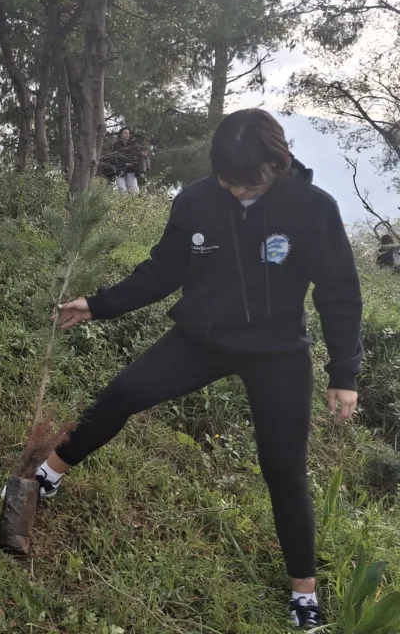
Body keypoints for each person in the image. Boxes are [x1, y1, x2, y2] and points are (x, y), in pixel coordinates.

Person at [32, 109, 362, 630]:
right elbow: (165, 268)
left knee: (284, 469)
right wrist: (98, 304)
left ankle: (304, 593)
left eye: (246, 184)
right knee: (122, 393)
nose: (235, 192)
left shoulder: (313, 208)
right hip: (201, 339)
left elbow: (340, 293)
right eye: (227, 182)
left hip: (278, 354)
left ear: (277, 164)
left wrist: (344, 374)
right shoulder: (197, 199)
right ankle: (45, 475)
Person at [106, 127, 143, 193]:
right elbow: (113, 159)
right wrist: (124, 164)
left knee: (134, 191)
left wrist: (136, 163)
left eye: (128, 133)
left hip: (131, 170)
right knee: (122, 190)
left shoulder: (133, 145)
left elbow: (138, 157)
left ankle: (133, 203)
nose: (127, 135)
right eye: (125, 133)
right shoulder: (115, 146)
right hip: (119, 170)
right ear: (120, 134)